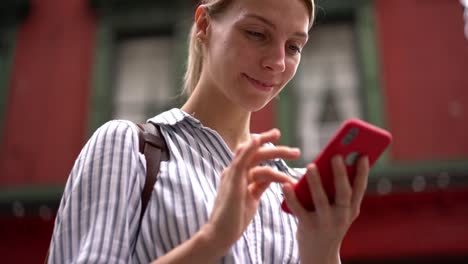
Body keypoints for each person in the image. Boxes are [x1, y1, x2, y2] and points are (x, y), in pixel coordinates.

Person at [47, 0, 370, 263]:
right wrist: (212, 239)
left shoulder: (293, 193)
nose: (278, 62)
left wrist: (325, 254)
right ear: (204, 25)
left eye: (294, 46)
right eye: (257, 33)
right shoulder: (129, 147)